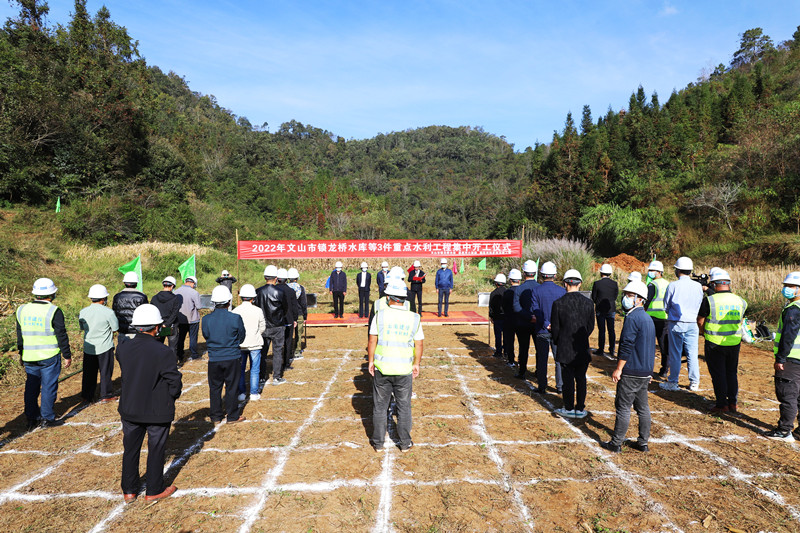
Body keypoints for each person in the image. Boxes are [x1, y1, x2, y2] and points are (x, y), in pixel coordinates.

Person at [117, 304, 182, 503]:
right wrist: (172, 396)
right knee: (156, 449)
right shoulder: (163, 351)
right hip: (157, 410)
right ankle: (154, 490)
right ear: (156, 327)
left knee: (130, 449)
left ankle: (129, 490)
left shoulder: (123, 347)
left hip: (130, 407)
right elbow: (174, 381)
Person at [368, 280, 424, 452]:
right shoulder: (414, 318)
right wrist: (416, 363)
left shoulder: (380, 315)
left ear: (388, 297)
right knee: (404, 406)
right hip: (404, 370)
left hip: (382, 369)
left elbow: (372, 340)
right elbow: (419, 343)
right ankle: (405, 443)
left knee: (380, 407)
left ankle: (378, 443)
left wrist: (371, 361)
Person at [602, 280, 656, 453]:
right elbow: (651, 347)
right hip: (644, 372)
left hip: (631, 371)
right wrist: (649, 371)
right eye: (626, 295)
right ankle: (643, 443)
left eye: (630, 295)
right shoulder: (648, 318)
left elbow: (626, 345)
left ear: (640, 299)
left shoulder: (632, 318)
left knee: (623, 407)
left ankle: (616, 443)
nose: (626, 298)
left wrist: (619, 368)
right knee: (643, 408)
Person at [16, 278, 72, 429]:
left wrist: (21, 353)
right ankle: (47, 418)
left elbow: (20, 335)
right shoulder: (54, 310)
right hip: (49, 356)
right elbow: (61, 334)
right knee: (48, 387)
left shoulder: (22, 309)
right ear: (52, 294)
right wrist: (67, 355)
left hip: (29, 356)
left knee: (31, 387)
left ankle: (31, 418)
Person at [697, 269, 747, 413]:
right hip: (734, 343)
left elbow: (700, 321)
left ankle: (721, 404)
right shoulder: (741, 301)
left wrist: (703, 333)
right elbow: (741, 320)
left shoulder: (710, 300)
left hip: (714, 343)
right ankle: (732, 403)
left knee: (718, 374)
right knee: (731, 373)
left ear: (713, 284)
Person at [551, 270, 594, 418]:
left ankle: (569, 407)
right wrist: (582, 337)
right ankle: (580, 408)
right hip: (582, 346)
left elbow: (555, 328)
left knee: (567, 379)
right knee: (581, 378)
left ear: (565, 283)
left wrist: (559, 340)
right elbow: (590, 326)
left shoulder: (558, 303)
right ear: (580, 283)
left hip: (565, 347)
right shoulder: (588, 303)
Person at [764, 271, 800, 441]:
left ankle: (784, 430)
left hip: (791, 359)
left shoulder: (794, 309)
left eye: (791, 286)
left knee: (787, 394)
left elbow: (788, 336)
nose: (787, 289)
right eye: (786, 286)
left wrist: (780, 358)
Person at [202, 286, 246, 423]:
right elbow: (242, 337)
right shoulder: (235, 318)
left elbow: (206, 335)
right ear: (229, 302)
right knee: (232, 387)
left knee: (215, 388)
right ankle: (232, 416)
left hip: (214, 357)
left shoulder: (206, 319)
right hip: (232, 357)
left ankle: (215, 415)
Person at [660, 257, 704, 392]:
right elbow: (699, 303)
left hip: (676, 323)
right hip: (692, 323)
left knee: (675, 353)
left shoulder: (673, 285)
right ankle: (694, 382)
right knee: (692, 353)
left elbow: (666, 305)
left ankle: (673, 382)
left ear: (678, 270)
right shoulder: (698, 286)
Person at [79, 284, 119, 404]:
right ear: (103, 298)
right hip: (104, 346)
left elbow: (83, 327)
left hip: (89, 347)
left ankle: (87, 396)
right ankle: (106, 394)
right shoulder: (109, 312)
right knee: (105, 371)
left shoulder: (83, 312)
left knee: (88, 372)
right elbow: (115, 328)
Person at [531, 261, 566, 393]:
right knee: (559, 359)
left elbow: (536, 311)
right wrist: (555, 324)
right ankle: (560, 386)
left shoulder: (536, 291)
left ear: (541, 275)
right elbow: (563, 311)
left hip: (542, 329)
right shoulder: (562, 291)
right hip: (558, 330)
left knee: (542, 359)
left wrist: (546, 323)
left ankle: (542, 386)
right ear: (555, 275)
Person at [255, 265, 291, 386]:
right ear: (276, 278)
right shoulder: (280, 292)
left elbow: (256, 307)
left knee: (262, 352)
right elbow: (285, 308)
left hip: (263, 326)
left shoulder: (258, 292)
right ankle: (276, 377)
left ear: (265, 277)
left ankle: (261, 376)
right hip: (277, 326)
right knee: (277, 351)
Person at [233, 284, 266, 401]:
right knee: (255, 370)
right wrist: (256, 334)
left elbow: (234, 328)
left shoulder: (235, 310)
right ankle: (253, 393)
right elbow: (262, 327)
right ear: (253, 298)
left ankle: (242, 393)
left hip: (240, 345)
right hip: (255, 343)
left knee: (241, 370)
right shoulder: (258, 310)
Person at [512, 260, 539, 377]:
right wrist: (535, 317)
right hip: (537, 323)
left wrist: (528, 317)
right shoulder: (539, 287)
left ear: (524, 273)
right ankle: (539, 371)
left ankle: (522, 371)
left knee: (523, 348)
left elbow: (516, 307)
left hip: (523, 323)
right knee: (539, 349)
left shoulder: (519, 289)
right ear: (535, 273)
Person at [644, 261, 670, 378]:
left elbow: (647, 300)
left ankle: (647, 368)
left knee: (649, 344)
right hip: (665, 318)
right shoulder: (668, 284)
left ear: (659, 272)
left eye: (652, 270)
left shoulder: (652, 285)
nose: (650, 272)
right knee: (664, 345)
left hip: (652, 317)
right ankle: (665, 369)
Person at [112, 271, 148, 345]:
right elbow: (146, 315)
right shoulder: (142, 297)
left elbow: (114, 313)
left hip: (122, 331)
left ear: (124, 283)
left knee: (123, 351)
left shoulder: (117, 297)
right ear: (136, 283)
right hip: (137, 331)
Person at [151, 276, 182, 360]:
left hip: (158, 326)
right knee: (172, 347)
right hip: (171, 325)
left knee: (158, 346)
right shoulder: (175, 298)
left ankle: (158, 363)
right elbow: (174, 313)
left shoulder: (155, 298)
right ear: (172, 286)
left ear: (163, 285)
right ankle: (172, 364)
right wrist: (167, 324)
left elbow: (152, 311)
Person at [591, 264, 618, 359]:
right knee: (611, 330)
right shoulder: (614, 284)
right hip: (611, 308)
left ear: (601, 272)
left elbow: (594, 297)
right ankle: (612, 350)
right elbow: (615, 296)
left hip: (600, 309)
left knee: (602, 330)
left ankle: (601, 349)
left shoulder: (597, 283)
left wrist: (598, 302)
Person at [175, 276, 202, 362]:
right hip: (192, 319)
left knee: (181, 337)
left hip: (180, 319)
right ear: (192, 283)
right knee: (193, 337)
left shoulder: (176, 291)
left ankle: (180, 354)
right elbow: (199, 306)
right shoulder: (194, 293)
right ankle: (194, 354)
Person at [276, 268, 299, 369]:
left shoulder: (274, 289)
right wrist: (295, 319)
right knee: (288, 342)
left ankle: (277, 364)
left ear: (277, 278)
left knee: (276, 343)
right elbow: (294, 307)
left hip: (276, 321)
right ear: (286, 279)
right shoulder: (291, 291)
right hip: (288, 320)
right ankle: (286, 363)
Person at [502, 269, 522, 366]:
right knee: (522, 342)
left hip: (509, 320)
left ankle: (511, 360)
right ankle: (521, 360)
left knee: (510, 341)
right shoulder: (522, 291)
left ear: (510, 280)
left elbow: (503, 306)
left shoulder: (507, 292)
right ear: (519, 280)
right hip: (520, 320)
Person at [287, 268, 308, 359]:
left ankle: (288, 352)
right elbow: (303, 303)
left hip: (288, 314)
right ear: (297, 278)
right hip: (299, 313)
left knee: (288, 333)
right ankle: (297, 351)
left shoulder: (285, 288)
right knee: (298, 334)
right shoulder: (300, 288)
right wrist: (305, 315)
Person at [488, 273, 507, 358]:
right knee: (506, 335)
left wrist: (491, 316)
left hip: (497, 317)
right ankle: (506, 351)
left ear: (496, 283)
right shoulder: (508, 292)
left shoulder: (493, 293)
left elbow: (491, 307)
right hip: (506, 318)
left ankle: (498, 352)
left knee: (498, 335)